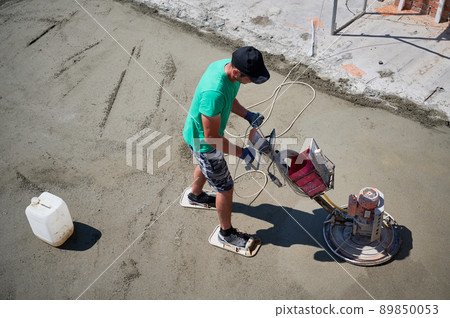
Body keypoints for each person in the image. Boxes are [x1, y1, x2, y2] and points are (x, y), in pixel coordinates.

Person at [183, 46, 270, 249]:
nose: (250, 83)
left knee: (206, 167)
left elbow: (229, 99)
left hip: (197, 137)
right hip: (203, 142)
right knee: (225, 188)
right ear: (238, 72)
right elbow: (212, 138)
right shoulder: (214, 93)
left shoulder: (225, 67)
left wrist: (248, 115)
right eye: (250, 79)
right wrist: (242, 153)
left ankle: (195, 196)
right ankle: (226, 234)